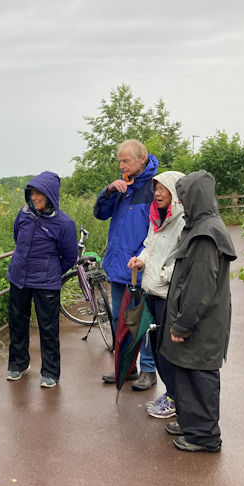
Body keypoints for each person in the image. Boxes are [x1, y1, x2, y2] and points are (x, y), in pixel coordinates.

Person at [160, 170, 236, 452]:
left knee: (200, 374)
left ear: (195, 197)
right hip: (197, 321)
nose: (180, 203)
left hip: (201, 324)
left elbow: (199, 287)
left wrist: (183, 324)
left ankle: (204, 435)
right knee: (188, 371)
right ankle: (192, 423)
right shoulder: (201, 226)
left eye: (183, 197)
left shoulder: (205, 234)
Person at [93, 139, 158, 390]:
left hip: (141, 266)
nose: (121, 165)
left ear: (142, 159)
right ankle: (127, 367)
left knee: (144, 319)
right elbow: (100, 213)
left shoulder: (154, 188)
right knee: (122, 319)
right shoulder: (122, 186)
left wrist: (143, 258)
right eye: (119, 160)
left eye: (126, 160)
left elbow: (157, 229)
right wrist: (108, 191)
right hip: (119, 266)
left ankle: (149, 370)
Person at [6, 171, 78, 388]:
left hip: (46, 282)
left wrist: (52, 272)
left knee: (48, 328)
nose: (35, 198)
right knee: (17, 323)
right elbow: (17, 237)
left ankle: (50, 372)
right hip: (19, 277)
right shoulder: (24, 213)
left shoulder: (64, 223)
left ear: (50, 196)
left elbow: (69, 256)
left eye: (40, 194)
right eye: (32, 193)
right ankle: (18, 364)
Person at [127, 171, 185, 418]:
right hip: (151, 291)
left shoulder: (183, 221)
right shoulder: (156, 217)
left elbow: (186, 261)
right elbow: (150, 247)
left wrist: (162, 274)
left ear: (175, 192)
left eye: (162, 189)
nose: (157, 193)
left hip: (167, 296)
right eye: (155, 188)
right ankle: (171, 393)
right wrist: (140, 261)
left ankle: (176, 399)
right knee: (158, 350)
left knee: (168, 352)